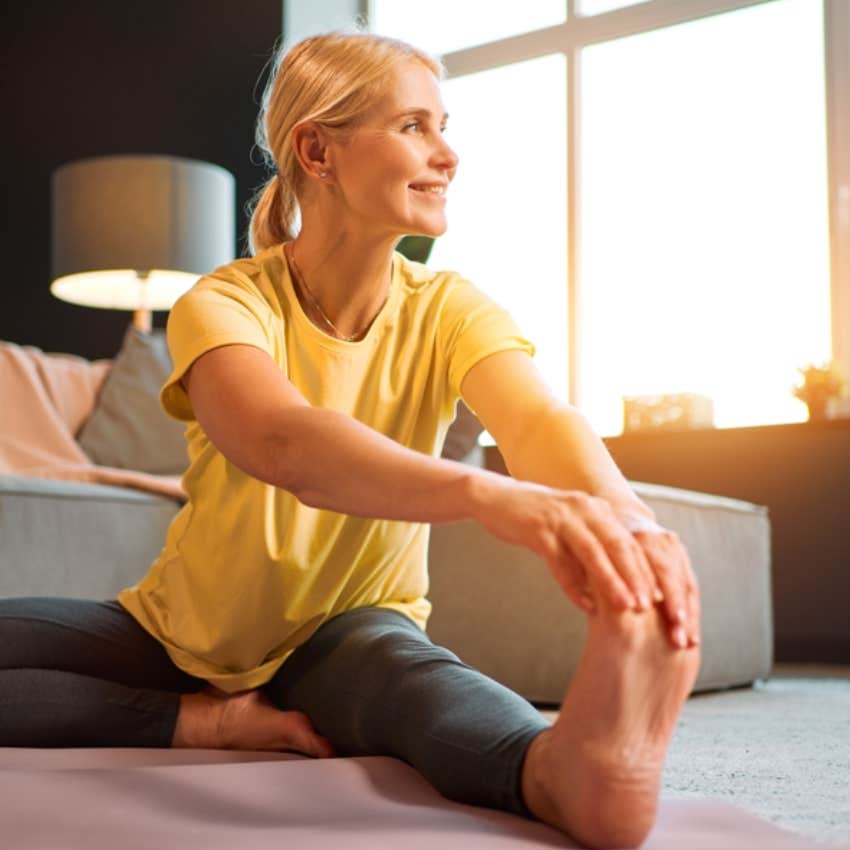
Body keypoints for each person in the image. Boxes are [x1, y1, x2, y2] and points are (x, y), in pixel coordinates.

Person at [0, 32, 700, 849]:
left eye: (444, 125)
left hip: (355, 628)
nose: (448, 154)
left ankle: (567, 770)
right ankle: (203, 722)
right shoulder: (226, 302)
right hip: (178, 633)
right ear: (316, 150)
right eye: (414, 127)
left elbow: (540, 422)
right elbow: (285, 441)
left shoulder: (449, 308)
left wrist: (627, 520)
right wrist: (487, 494)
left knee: (415, 685)